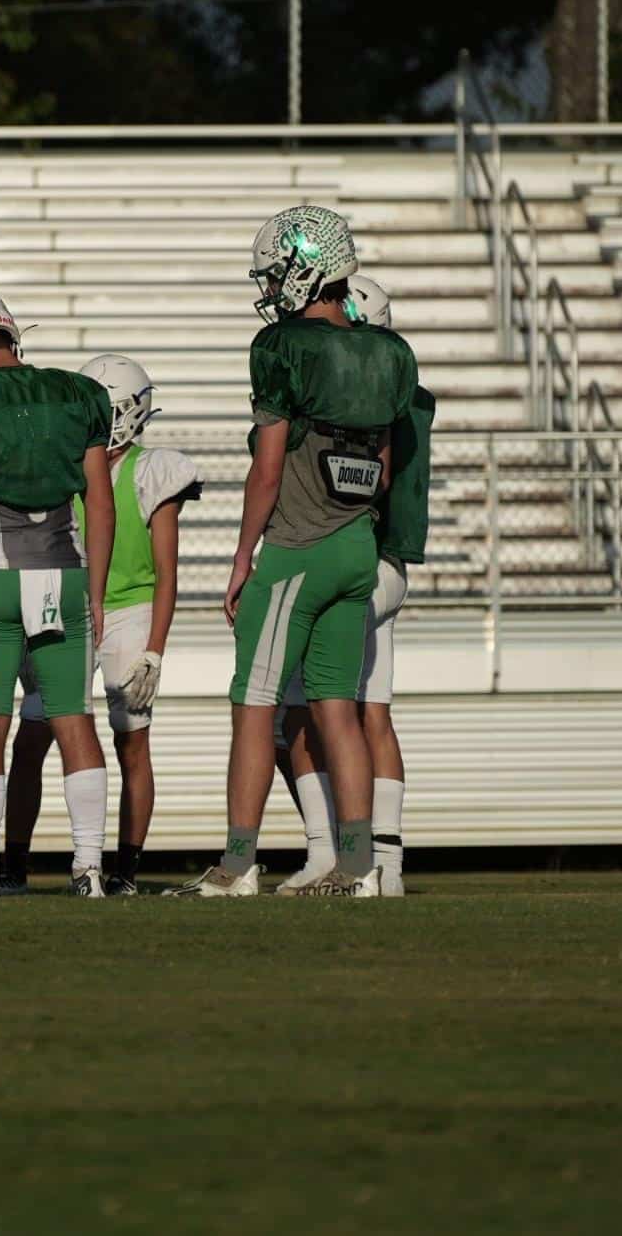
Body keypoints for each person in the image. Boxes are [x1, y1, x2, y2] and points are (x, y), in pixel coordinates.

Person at [167, 206, 415, 899]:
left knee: (254, 704)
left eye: (278, 273)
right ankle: (359, 866)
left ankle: (237, 865)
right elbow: (383, 468)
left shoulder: (282, 345)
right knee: (339, 708)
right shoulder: (388, 352)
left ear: (307, 269)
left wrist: (243, 557)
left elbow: (268, 469)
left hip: (297, 547)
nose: (273, 287)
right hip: (357, 547)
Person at [0, 288, 117, 898]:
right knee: (75, 721)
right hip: (62, 574)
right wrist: (96, 593)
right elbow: (100, 504)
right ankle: (89, 868)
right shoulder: (78, 392)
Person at [0, 354, 200, 896]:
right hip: (68, 605)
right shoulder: (64, 464)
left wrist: (155, 649)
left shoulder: (150, 471)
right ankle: (13, 864)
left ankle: (124, 870)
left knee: (131, 742)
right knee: (31, 737)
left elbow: (166, 573)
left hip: (129, 611)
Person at [275, 276, 434, 898]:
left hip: (348, 557)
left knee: (301, 710)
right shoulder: (407, 393)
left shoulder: (348, 395)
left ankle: (331, 856)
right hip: (389, 565)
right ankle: (386, 865)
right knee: (373, 714)